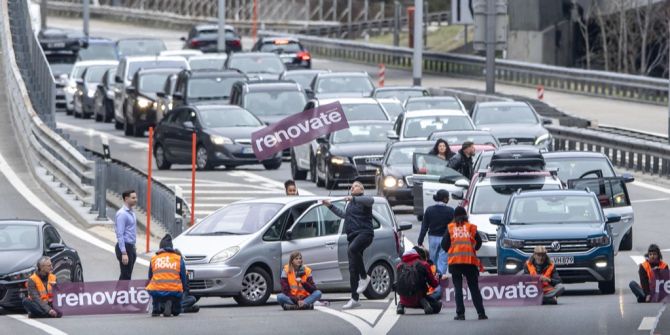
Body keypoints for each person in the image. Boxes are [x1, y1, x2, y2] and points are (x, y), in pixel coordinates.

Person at [323, 181, 374, 310]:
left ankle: (364, 276)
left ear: (361, 189)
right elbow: (344, 215)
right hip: (352, 237)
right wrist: (330, 206)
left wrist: (354, 198)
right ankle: (354, 298)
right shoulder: (350, 204)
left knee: (352, 250)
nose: (352, 187)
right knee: (352, 269)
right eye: (351, 187)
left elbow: (371, 200)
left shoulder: (364, 200)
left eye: (355, 186)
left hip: (365, 233)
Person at [442, 206, 487, 320]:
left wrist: (452, 249)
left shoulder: (450, 228)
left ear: (454, 217)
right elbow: (479, 242)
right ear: (465, 216)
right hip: (469, 262)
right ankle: (481, 313)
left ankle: (460, 314)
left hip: (455, 262)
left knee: (458, 288)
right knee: (474, 288)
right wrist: (472, 249)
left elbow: (444, 244)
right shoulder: (470, 227)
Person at [146, 234, 187, 317]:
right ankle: (171, 304)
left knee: (155, 289)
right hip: (173, 291)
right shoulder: (178, 258)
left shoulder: (154, 258)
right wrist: (184, 289)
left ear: (160, 247)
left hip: (156, 291)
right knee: (176, 312)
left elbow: (150, 276)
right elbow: (183, 276)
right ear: (171, 247)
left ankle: (156, 308)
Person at [396, 246, 442, 315]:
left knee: (405, 299)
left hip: (404, 299)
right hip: (419, 298)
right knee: (437, 306)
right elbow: (433, 284)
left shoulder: (399, 266)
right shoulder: (423, 264)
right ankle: (425, 304)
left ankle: (400, 305)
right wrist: (437, 278)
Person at [418, 189, 453, 276]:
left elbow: (424, 226)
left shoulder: (429, 210)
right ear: (445, 199)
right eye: (448, 198)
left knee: (433, 259)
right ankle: (441, 276)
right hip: (445, 238)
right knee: (443, 259)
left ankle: (433, 276)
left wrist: (420, 240)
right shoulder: (451, 211)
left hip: (432, 237)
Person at [115, 190, 138, 280]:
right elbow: (120, 234)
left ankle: (119, 293)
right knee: (126, 276)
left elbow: (131, 231)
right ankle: (121, 294)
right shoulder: (122, 214)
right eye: (133, 198)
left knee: (126, 275)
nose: (135, 200)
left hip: (131, 247)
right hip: (125, 247)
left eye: (136, 197)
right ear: (126, 199)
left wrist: (133, 247)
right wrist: (124, 253)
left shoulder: (132, 212)